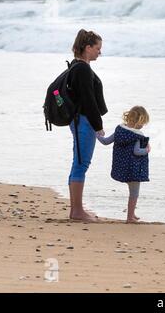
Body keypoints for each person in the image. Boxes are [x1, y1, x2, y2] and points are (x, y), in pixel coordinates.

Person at [68, 29, 108, 222]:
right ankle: (77, 211)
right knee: (81, 163)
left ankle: (75, 210)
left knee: (79, 162)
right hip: (83, 120)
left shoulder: (79, 66)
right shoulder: (82, 69)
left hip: (80, 120)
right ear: (87, 47)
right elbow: (88, 99)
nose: (100, 52)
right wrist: (98, 124)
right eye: (97, 48)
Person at [97, 106, 150, 223]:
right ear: (139, 121)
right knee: (134, 193)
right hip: (133, 169)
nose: (143, 126)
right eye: (143, 123)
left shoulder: (119, 130)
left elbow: (105, 141)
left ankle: (132, 214)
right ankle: (130, 217)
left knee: (132, 192)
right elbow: (137, 151)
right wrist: (147, 149)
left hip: (121, 167)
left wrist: (96, 133)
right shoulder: (137, 136)